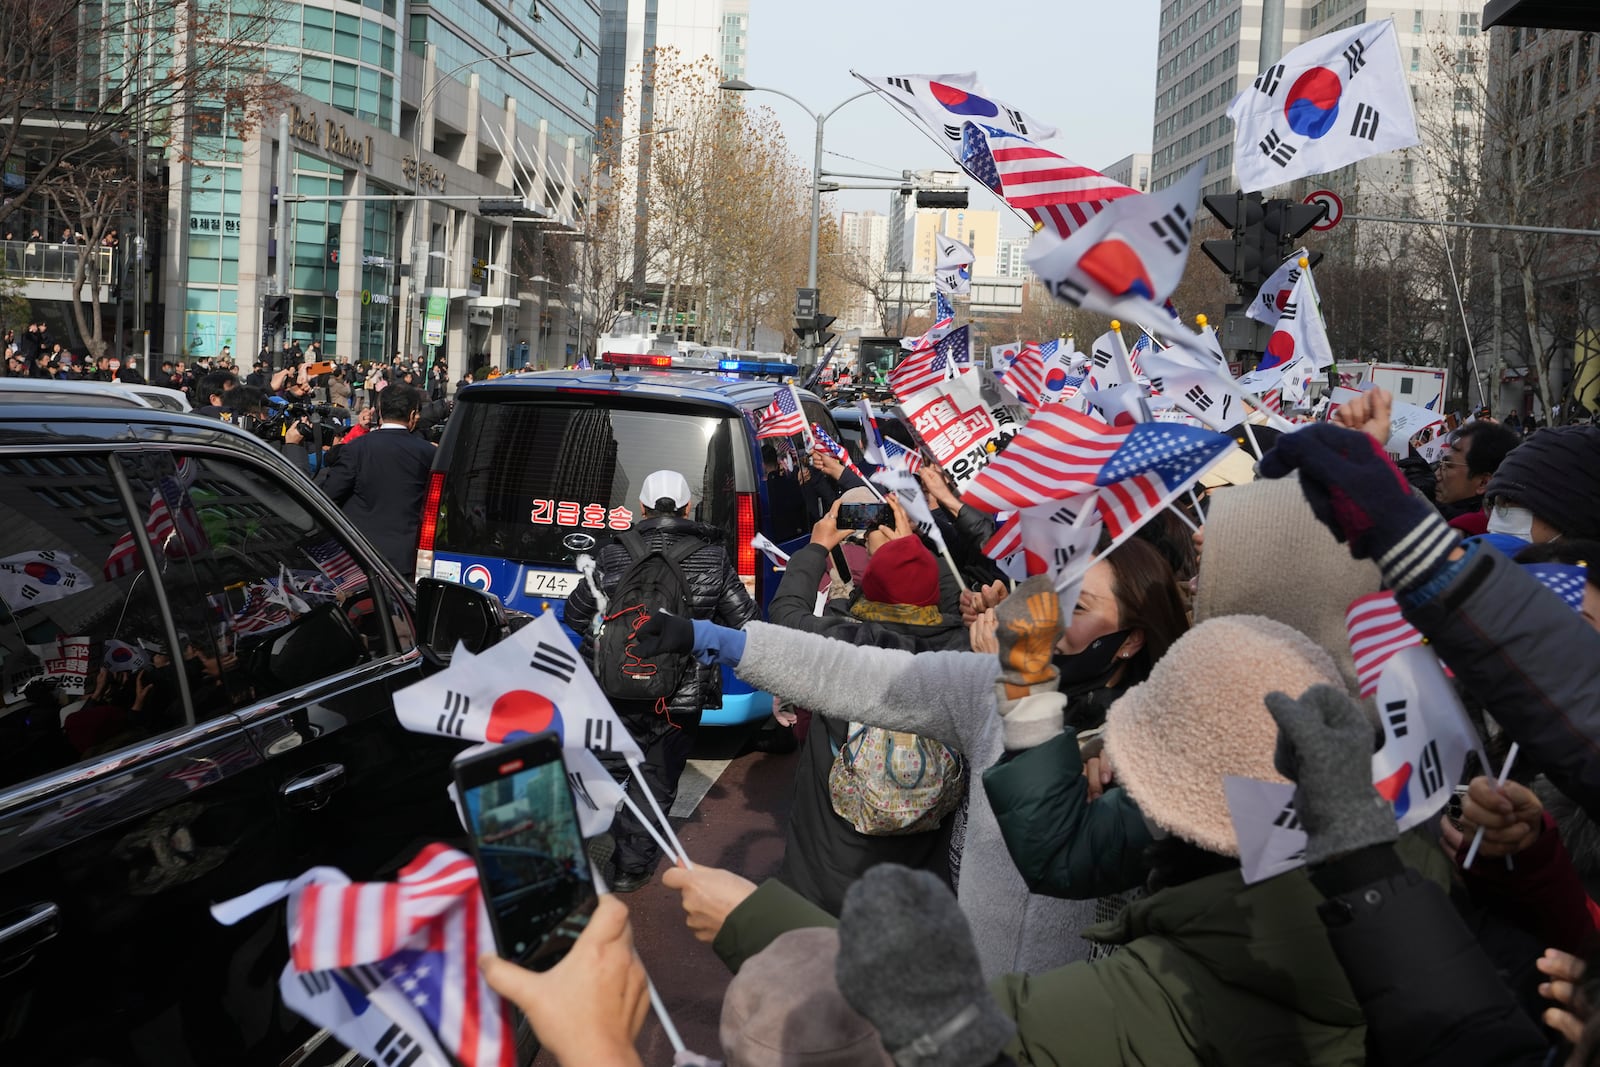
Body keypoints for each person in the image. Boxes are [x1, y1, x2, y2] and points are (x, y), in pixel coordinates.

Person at [766, 495, 969, 914]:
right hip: (918, 884)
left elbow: (786, 615)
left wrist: (818, 546)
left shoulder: (843, 647)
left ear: (867, 592)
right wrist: (914, 547)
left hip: (827, 875)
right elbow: (945, 600)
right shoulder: (965, 654)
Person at [562, 470, 760, 893]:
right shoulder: (713, 557)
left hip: (613, 686)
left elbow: (576, 613)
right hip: (676, 696)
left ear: (642, 509)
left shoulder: (613, 553)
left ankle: (575, 853)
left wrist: (612, 641)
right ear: (689, 509)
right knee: (657, 779)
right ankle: (631, 868)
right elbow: (746, 624)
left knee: (604, 767)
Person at [318, 384, 436, 577]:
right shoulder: (429, 453)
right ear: (413, 414)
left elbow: (329, 496)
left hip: (359, 555)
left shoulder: (355, 449)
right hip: (406, 557)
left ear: (379, 411)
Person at [1432, 419, 1521, 536]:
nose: (1436, 476)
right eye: (1440, 465)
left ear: (1483, 483)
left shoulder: (1466, 536)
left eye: (1448, 466)